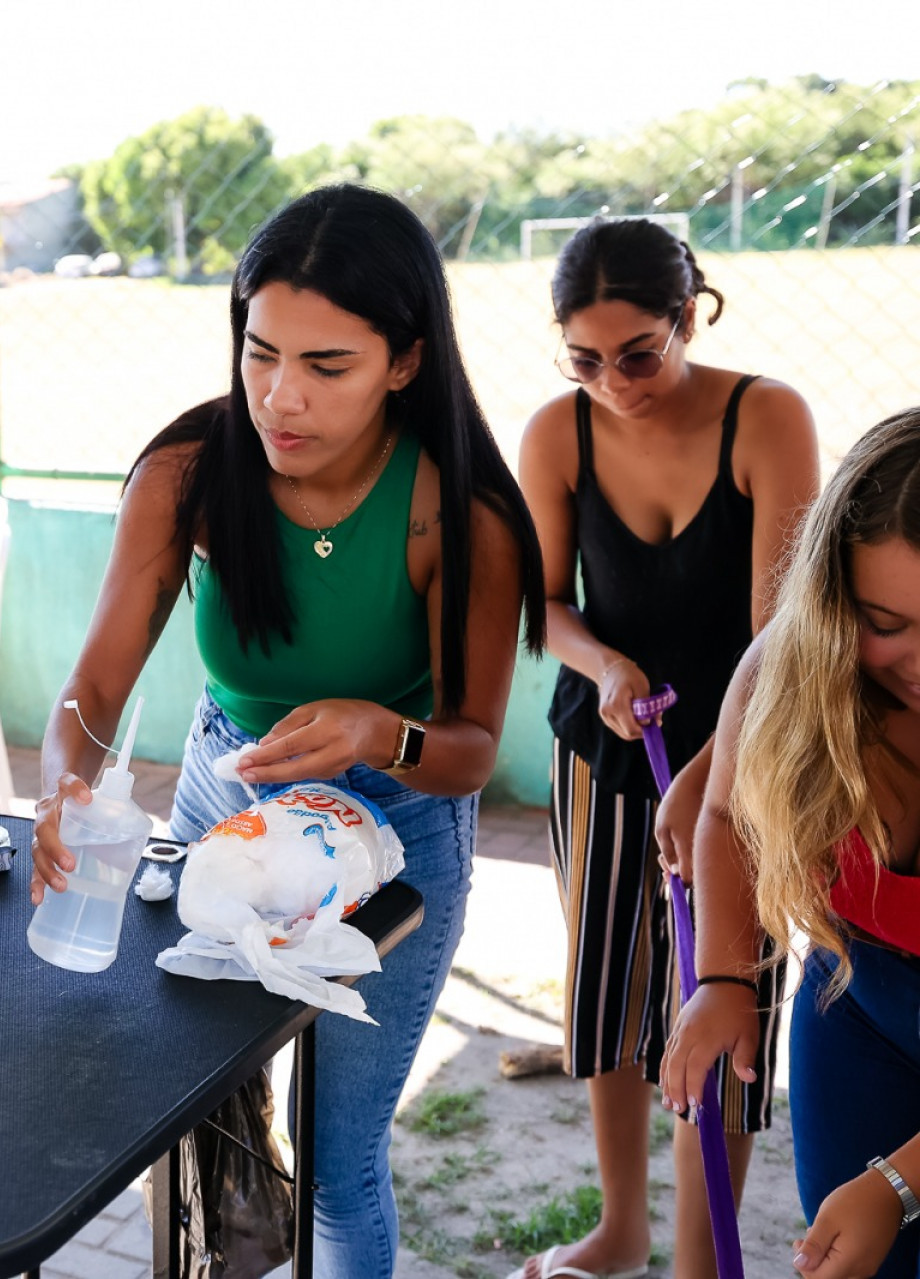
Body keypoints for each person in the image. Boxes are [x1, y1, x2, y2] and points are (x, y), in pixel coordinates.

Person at [29, 183, 547, 1276]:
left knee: (336, 1158)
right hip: (228, 792)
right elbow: (91, 692)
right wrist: (65, 787)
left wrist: (377, 733)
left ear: (405, 361)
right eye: (260, 353)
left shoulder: (457, 510)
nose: (280, 397)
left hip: (396, 825)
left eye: (327, 366)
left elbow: (468, 752)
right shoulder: (188, 473)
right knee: (205, 1107)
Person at [514, 218, 820, 1279]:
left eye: (639, 352)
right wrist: (602, 666)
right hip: (605, 752)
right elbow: (544, 605)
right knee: (610, 986)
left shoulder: (767, 416)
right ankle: (621, 1231)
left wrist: (710, 777)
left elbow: (783, 636)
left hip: (748, 757)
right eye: (585, 359)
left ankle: (702, 1258)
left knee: (724, 991)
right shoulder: (559, 432)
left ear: (690, 317)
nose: (615, 381)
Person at [661, 408, 920, 1279]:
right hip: (854, 996)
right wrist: (727, 978)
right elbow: (729, 817)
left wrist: (898, 1181)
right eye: (886, 621)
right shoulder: (790, 665)